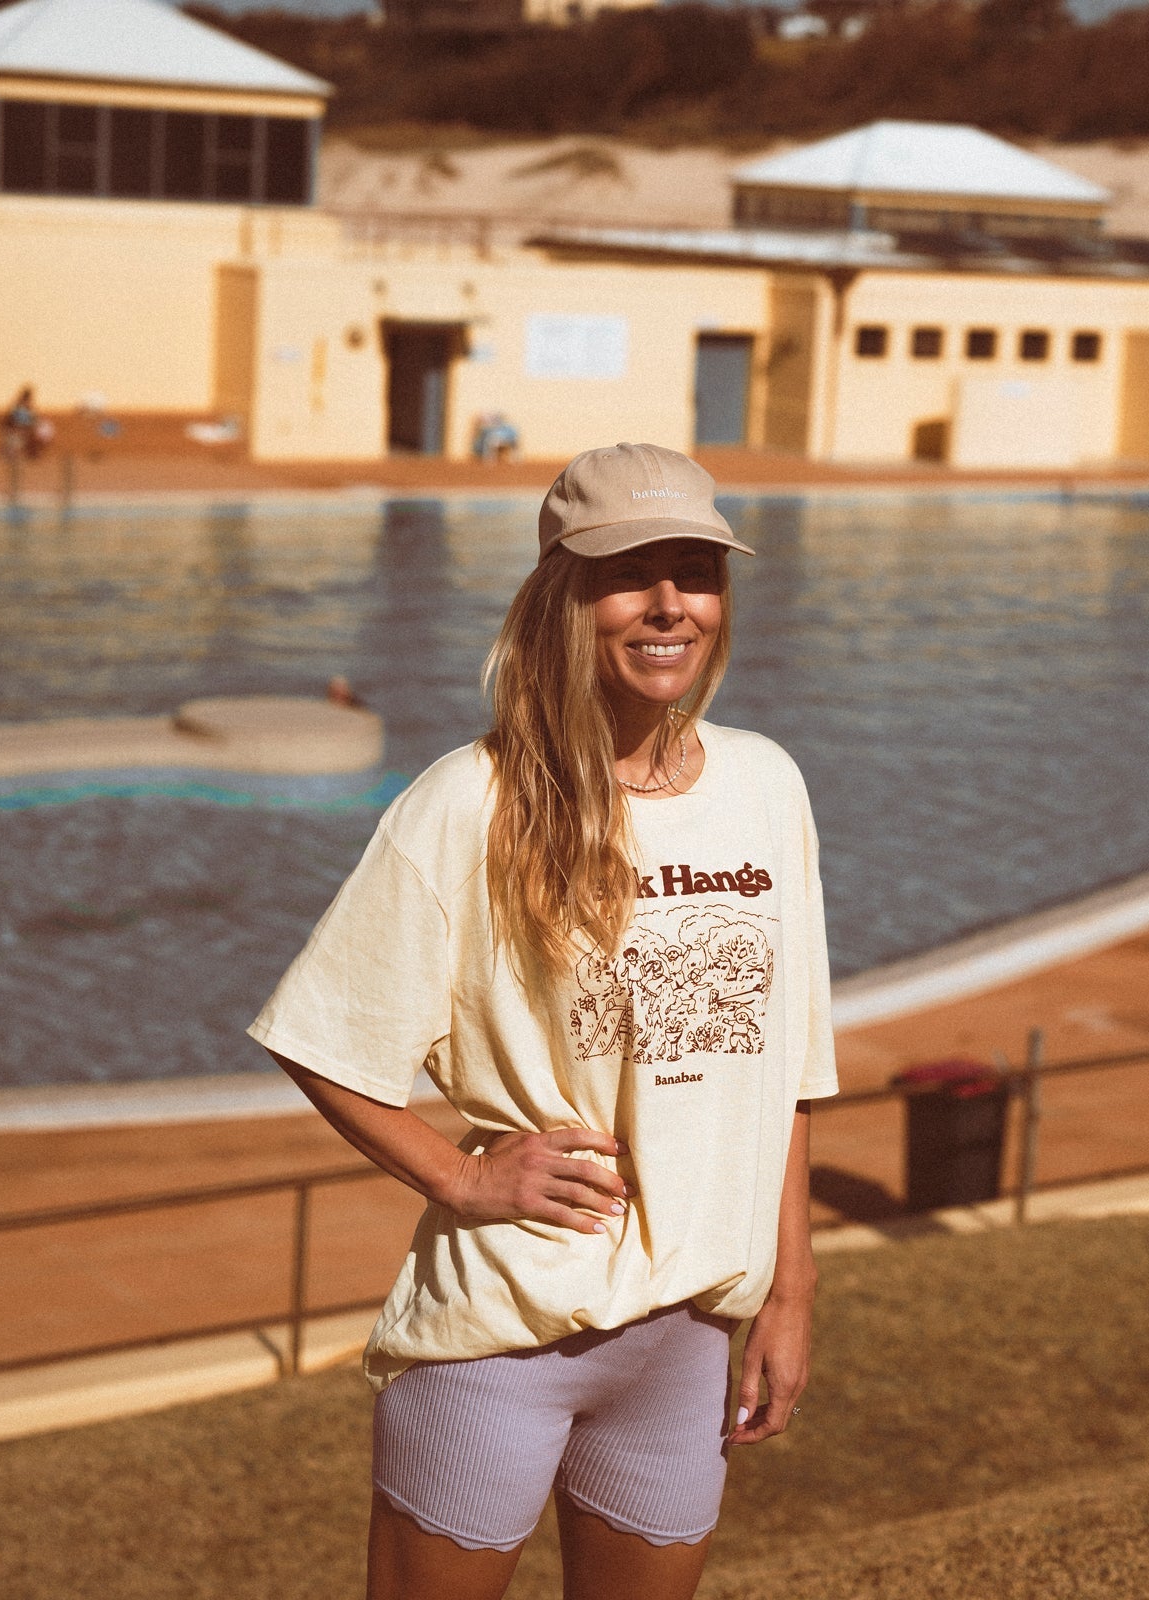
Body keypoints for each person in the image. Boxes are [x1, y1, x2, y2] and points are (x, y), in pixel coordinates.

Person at [249, 441, 837, 1600]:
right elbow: (324, 1034)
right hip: (500, 1338)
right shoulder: (470, 801)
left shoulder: (766, 784)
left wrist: (793, 1288)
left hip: (686, 1339)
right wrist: (460, 1181)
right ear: (564, 596)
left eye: (697, 571)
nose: (671, 603)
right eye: (633, 572)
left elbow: (784, 1067)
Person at [0, 386, 54, 462]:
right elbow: (12, 422)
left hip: (25, 432)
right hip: (17, 432)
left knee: (43, 429)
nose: (28, 401)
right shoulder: (18, 408)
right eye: (27, 398)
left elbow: (34, 421)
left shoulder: (29, 409)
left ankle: (32, 452)